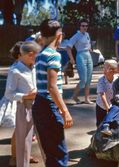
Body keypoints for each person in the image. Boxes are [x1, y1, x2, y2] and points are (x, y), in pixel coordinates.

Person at [32, 19, 73, 167]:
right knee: (59, 152)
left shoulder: (40, 54)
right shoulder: (54, 55)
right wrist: (65, 111)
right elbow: (52, 87)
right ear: (59, 35)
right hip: (49, 106)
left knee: (50, 151)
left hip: (39, 104)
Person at [4, 41, 41, 167]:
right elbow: (9, 93)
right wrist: (25, 96)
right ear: (30, 54)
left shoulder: (33, 67)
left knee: (32, 139)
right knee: (22, 139)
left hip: (37, 105)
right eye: (37, 55)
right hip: (23, 106)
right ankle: (21, 163)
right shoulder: (15, 71)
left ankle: (25, 160)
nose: (38, 58)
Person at [66, 18, 94, 104]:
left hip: (88, 55)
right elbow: (68, 47)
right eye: (83, 26)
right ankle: (74, 96)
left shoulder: (87, 34)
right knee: (83, 79)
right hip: (80, 56)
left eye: (86, 26)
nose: (85, 27)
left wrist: (91, 50)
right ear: (79, 27)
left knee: (89, 78)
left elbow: (88, 46)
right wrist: (71, 58)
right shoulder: (76, 35)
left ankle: (86, 98)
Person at [95, 59, 118, 127]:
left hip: (112, 104)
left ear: (114, 70)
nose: (104, 70)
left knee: (112, 121)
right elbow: (102, 94)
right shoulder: (101, 80)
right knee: (100, 122)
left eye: (108, 68)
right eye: (104, 68)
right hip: (101, 105)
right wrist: (107, 107)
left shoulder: (117, 80)